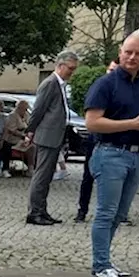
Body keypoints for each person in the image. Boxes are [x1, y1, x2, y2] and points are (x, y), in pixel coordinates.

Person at [82, 30, 139, 277]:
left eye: (138, 54)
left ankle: (105, 262)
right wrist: (133, 124)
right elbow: (92, 122)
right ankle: (100, 266)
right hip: (110, 152)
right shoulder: (105, 84)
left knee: (120, 214)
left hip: (136, 155)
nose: (132, 57)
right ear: (120, 51)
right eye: (128, 52)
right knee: (106, 213)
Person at [25, 50, 79, 225]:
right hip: (47, 136)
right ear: (60, 65)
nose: (72, 72)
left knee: (47, 176)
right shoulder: (49, 84)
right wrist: (30, 130)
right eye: (70, 68)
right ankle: (35, 213)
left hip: (54, 135)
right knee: (41, 175)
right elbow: (38, 110)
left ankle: (41, 210)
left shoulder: (59, 84)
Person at [76, 58, 118, 223]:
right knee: (88, 176)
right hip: (96, 138)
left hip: (113, 140)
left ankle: (112, 212)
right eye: (111, 70)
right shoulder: (101, 87)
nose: (112, 73)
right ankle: (82, 210)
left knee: (112, 178)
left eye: (116, 70)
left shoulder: (121, 90)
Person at [0, 100, 34, 176]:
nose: (24, 110)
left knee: (33, 147)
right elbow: (11, 130)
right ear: (18, 108)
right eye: (23, 108)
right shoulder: (12, 116)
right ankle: (5, 169)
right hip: (12, 138)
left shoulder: (26, 115)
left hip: (24, 139)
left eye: (25, 109)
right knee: (7, 147)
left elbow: (29, 125)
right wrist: (23, 135)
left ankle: (31, 168)